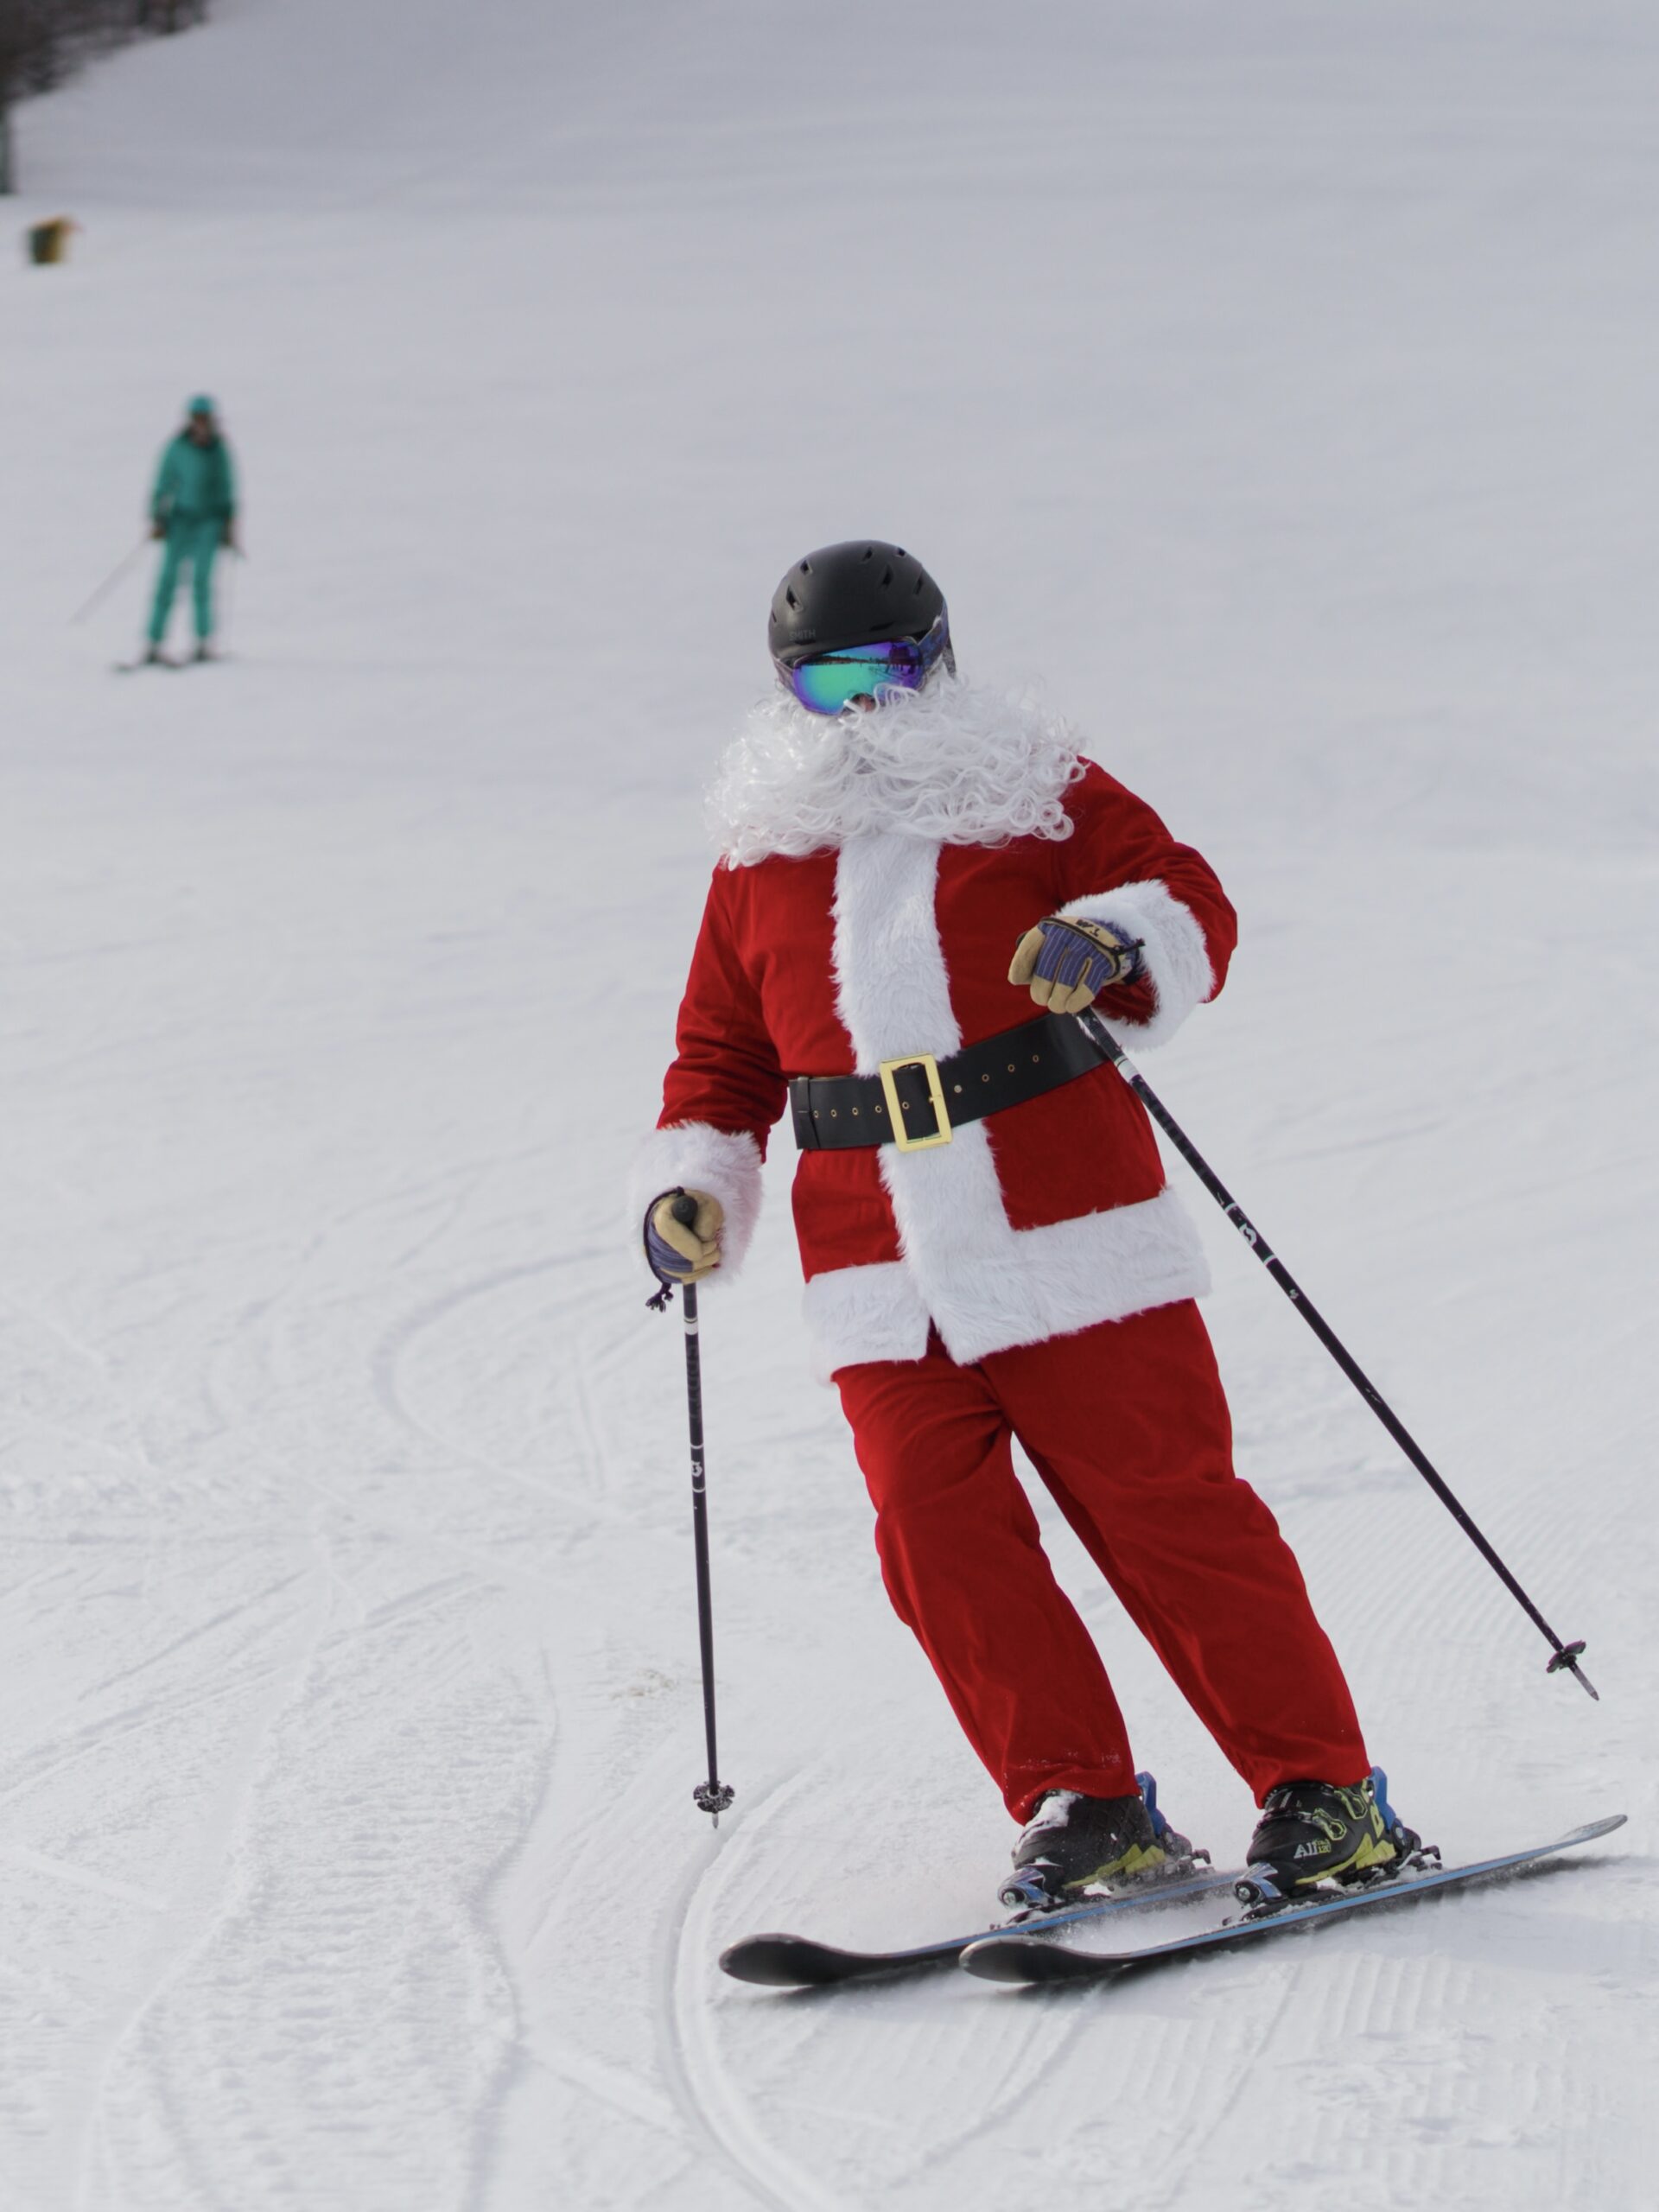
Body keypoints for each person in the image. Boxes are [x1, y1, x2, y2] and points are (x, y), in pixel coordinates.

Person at [633, 540, 1418, 1908]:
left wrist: (1114, 940)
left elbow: (1191, 900)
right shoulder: (760, 852)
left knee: (1170, 1517)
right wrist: (694, 1181)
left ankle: (1326, 1794)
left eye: (884, 674)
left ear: (937, 660)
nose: (862, 711)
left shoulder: (1033, 793)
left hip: (1069, 1229)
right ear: (786, 694)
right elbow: (722, 1054)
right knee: (934, 1538)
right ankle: (1084, 1802)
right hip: (873, 1264)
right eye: (828, 686)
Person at [144, 395, 238, 664]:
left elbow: (227, 488)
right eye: (196, 418)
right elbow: (163, 482)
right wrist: (158, 518)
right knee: (167, 582)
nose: (200, 424)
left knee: (202, 583)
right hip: (180, 520)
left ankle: (203, 643)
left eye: (204, 419)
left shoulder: (219, 450)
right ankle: (154, 642)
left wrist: (228, 524)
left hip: (209, 522)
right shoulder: (177, 447)